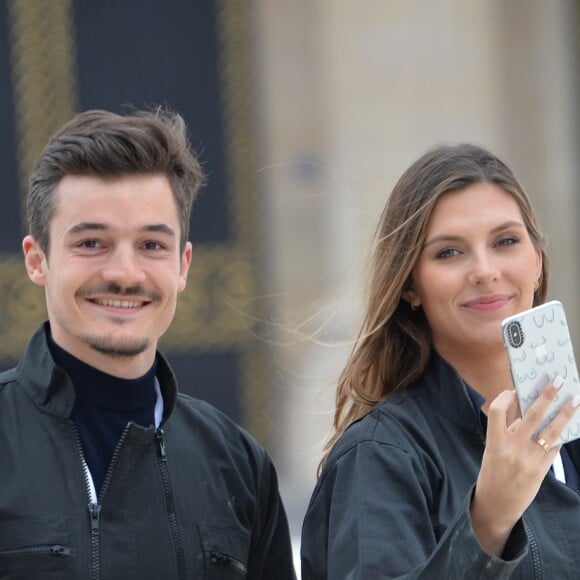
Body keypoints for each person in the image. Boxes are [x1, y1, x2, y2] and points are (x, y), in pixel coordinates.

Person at [0, 108, 296, 579]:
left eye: (152, 246)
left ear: (183, 265)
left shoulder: (238, 466)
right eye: (92, 243)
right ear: (37, 261)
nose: (124, 274)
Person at [301, 143, 580, 578]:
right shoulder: (380, 457)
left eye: (506, 241)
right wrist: (486, 524)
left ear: (537, 262)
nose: (485, 271)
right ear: (410, 285)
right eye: (449, 252)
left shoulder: (571, 430)